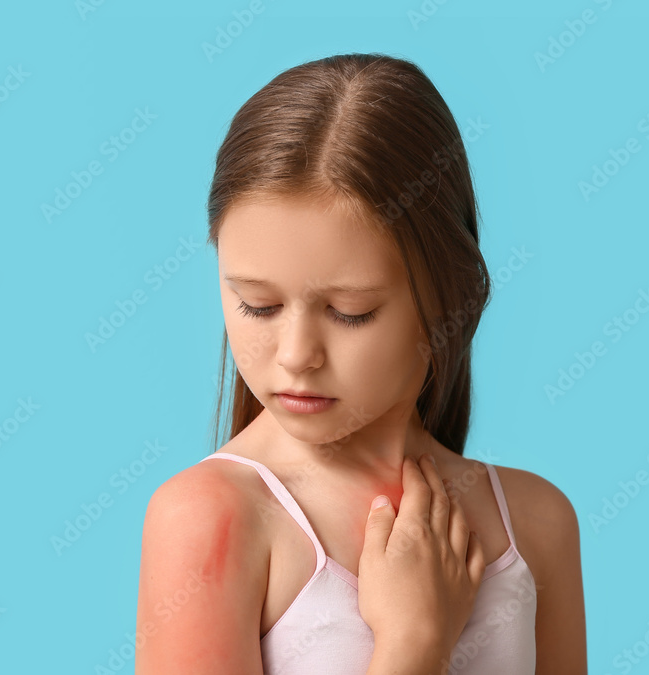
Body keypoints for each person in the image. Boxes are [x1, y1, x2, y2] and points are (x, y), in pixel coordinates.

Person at [135, 52, 587, 674]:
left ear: (446, 297)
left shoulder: (537, 523)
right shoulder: (212, 518)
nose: (295, 356)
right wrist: (412, 645)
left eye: (350, 313)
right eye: (258, 306)